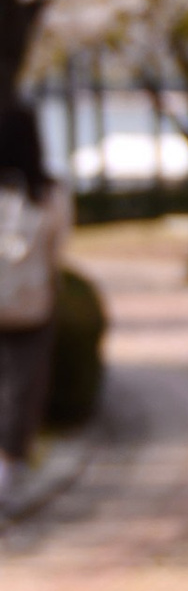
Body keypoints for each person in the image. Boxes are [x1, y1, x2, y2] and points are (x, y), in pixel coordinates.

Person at [0, 97, 69, 504]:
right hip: (32, 304)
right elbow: (59, 248)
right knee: (20, 386)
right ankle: (8, 466)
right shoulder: (49, 192)